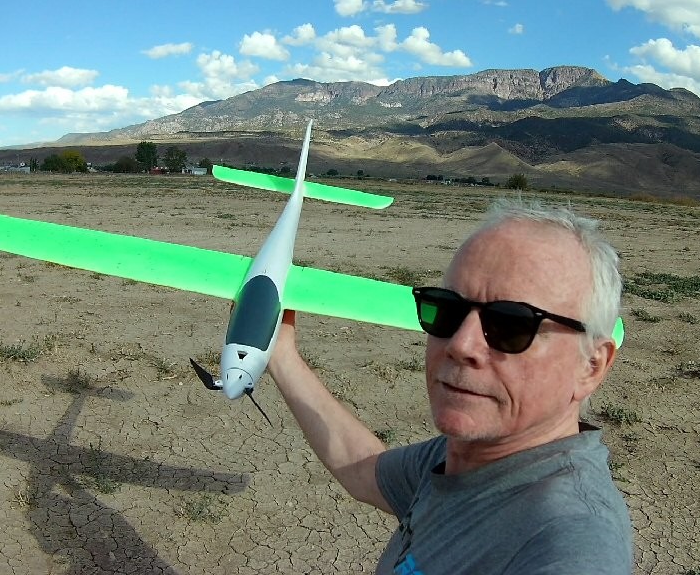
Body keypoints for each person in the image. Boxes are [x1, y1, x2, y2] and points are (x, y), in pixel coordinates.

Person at [266, 198, 633, 574]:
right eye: (448, 310)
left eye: (511, 325)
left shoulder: (569, 541)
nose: (461, 345)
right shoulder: (459, 457)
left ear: (591, 366)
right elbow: (363, 470)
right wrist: (280, 354)